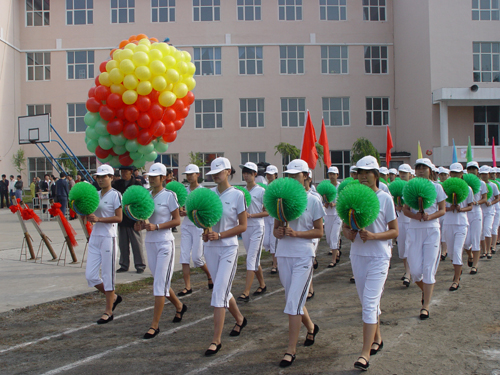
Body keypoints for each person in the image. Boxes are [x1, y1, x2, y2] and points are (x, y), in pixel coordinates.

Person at [342, 156, 398, 371]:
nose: (363, 176)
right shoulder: (352, 196)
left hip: (379, 257)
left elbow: (395, 231)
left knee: (370, 303)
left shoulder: (385, 198)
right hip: (358, 256)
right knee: (367, 302)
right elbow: (345, 228)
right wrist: (349, 232)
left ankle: (364, 354)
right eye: (360, 172)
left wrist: (374, 236)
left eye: (368, 172)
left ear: (376, 174)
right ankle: (378, 338)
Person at [274, 159, 324, 368]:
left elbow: (319, 231)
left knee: (293, 302)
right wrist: (278, 232)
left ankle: (290, 350)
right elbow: (276, 229)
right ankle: (311, 327)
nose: (292, 178)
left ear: (306, 176)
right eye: (289, 175)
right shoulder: (280, 199)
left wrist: (296, 233)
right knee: (294, 299)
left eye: (296, 175)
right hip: (284, 254)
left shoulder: (313, 200)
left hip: (304, 255)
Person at [134, 163, 186, 339]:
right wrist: (139, 224)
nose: (151, 179)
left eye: (155, 176)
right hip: (150, 243)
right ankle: (179, 306)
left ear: (164, 178)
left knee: (159, 285)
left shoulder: (169, 195)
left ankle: (154, 325)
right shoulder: (146, 195)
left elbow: (177, 220)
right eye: (150, 176)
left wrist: (157, 226)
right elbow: (141, 221)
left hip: (165, 243)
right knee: (160, 281)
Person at [202, 157, 247, 356]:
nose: (216, 174)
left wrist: (220, 235)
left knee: (219, 291)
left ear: (228, 171)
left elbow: (243, 226)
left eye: (220, 171)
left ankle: (216, 340)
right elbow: (205, 220)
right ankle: (239, 319)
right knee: (223, 289)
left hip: (229, 247)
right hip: (211, 248)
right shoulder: (208, 194)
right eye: (213, 172)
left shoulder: (238, 195)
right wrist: (206, 231)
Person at [403, 158, 446, 320]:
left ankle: (425, 306)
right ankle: (425, 290)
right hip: (414, 229)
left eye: (424, 168)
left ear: (430, 170)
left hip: (432, 230)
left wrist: (430, 216)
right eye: (418, 168)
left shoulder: (437, 187)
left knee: (428, 269)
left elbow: (442, 210)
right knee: (414, 271)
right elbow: (405, 210)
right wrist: (415, 215)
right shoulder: (409, 187)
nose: (420, 170)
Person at [85, 164, 123, 324]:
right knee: (91, 276)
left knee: (108, 275)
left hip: (109, 237)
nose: (100, 179)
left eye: (104, 176)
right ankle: (113, 297)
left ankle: (108, 311)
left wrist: (99, 219)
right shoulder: (94, 194)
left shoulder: (116, 195)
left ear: (111, 178)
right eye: (98, 177)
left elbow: (119, 218)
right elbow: (88, 213)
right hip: (95, 237)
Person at [177, 164, 213, 296]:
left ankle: (210, 275)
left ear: (198, 175)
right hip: (186, 226)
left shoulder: (203, 191)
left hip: (198, 226)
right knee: (184, 256)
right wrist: (181, 211)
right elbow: (180, 206)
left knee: (197, 258)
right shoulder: (183, 191)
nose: (189, 176)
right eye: (187, 174)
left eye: (192, 174)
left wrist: (190, 213)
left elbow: (206, 210)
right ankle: (187, 286)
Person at [237, 162, 268, 302]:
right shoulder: (241, 191)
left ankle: (246, 292)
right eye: (244, 172)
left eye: (249, 172)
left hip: (257, 227)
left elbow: (267, 212)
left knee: (251, 259)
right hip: (245, 228)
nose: (246, 175)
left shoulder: (261, 191)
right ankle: (262, 284)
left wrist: (252, 216)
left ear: (255, 174)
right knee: (254, 259)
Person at [442, 163, 473, 291]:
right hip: (448, 223)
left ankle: (456, 279)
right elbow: (440, 207)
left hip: (461, 224)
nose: (455, 175)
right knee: (451, 253)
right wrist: (450, 208)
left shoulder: (468, 189)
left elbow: (470, 206)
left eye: (457, 173)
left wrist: (461, 209)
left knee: (457, 250)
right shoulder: (444, 189)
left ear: (462, 174)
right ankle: (457, 271)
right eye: (453, 173)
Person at [113, 166, 146, 274]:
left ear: (131, 172)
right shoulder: (118, 184)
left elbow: (141, 201)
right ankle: (124, 264)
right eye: (121, 171)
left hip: (133, 218)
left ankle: (140, 265)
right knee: (123, 244)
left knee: (136, 243)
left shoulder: (137, 184)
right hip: (122, 218)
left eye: (125, 171)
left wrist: (139, 219)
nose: (123, 174)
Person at [464, 161, 487, 275]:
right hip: (465, 213)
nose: (472, 171)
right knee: (466, 241)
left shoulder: (481, 183)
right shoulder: (463, 183)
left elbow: (485, 198)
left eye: (474, 169)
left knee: (475, 239)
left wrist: (477, 202)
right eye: (470, 169)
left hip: (477, 213)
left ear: (477, 171)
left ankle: (475, 265)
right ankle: (470, 255)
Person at [395, 164, 412, 287]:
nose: (402, 174)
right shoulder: (395, 187)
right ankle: (407, 270)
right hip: (400, 221)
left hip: (411, 222)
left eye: (405, 173)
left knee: (409, 248)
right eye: (401, 172)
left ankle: (408, 273)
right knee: (402, 248)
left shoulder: (413, 187)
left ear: (410, 174)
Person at [478, 165, 499, 260]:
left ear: (489, 174)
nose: (484, 176)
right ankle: (484, 251)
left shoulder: (493, 185)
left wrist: (491, 203)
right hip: (480, 210)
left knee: (487, 228)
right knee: (481, 231)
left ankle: (489, 250)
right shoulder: (478, 185)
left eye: (486, 174)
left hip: (490, 211)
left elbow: (498, 197)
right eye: (482, 174)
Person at [324, 166, 342, 269]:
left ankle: (333, 260)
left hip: (337, 215)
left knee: (334, 237)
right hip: (328, 215)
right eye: (330, 174)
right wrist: (326, 203)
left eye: (333, 174)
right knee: (328, 239)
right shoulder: (326, 187)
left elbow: (343, 200)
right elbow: (324, 199)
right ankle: (337, 250)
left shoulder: (340, 187)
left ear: (337, 175)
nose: (331, 176)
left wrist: (335, 205)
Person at [263, 165, 279, 273]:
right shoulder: (265, 187)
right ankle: (275, 259)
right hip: (266, 217)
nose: (269, 176)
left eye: (271, 174)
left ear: (276, 175)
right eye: (267, 174)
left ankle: (275, 264)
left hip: (275, 217)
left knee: (273, 242)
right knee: (266, 241)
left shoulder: (279, 187)